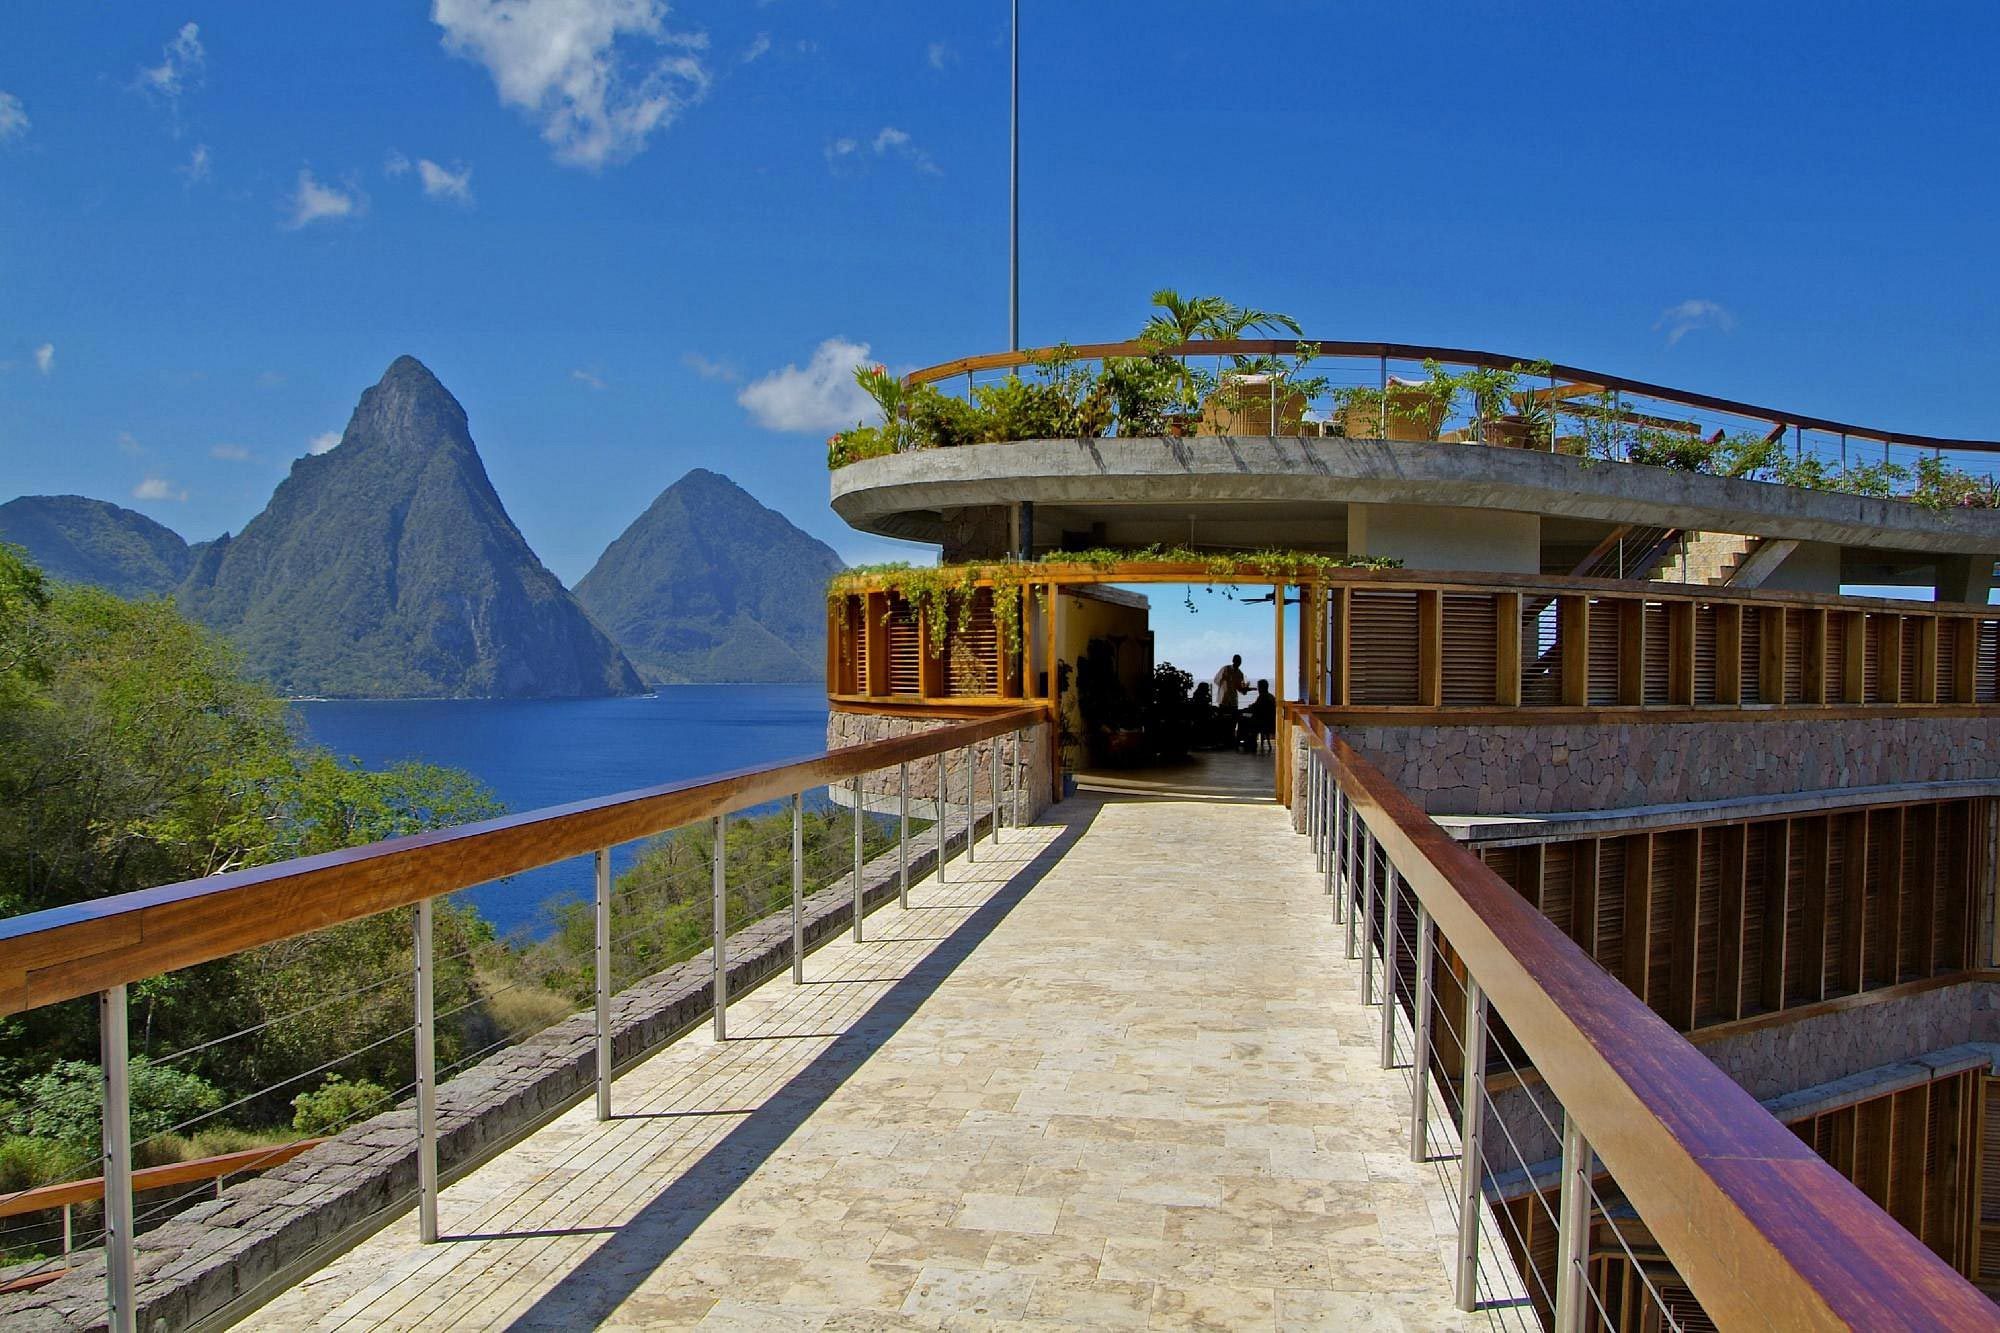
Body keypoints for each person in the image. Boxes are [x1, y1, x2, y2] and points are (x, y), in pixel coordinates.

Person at [1241, 679, 1276, 753]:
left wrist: (1246, 709)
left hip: (1261, 723)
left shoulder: (1262, 697)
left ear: (1262, 687)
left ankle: (1249, 742)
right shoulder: (1271, 696)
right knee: (1245, 716)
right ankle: (1249, 742)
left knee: (1243, 717)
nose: (1258, 689)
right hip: (1268, 722)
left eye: (1259, 687)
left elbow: (1255, 709)